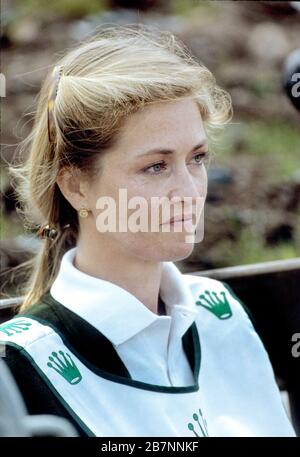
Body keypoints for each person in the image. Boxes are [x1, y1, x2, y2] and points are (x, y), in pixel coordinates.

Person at [0, 24, 296, 437]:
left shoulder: (219, 314)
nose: (190, 193)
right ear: (76, 186)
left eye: (197, 158)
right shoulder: (19, 368)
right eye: (156, 166)